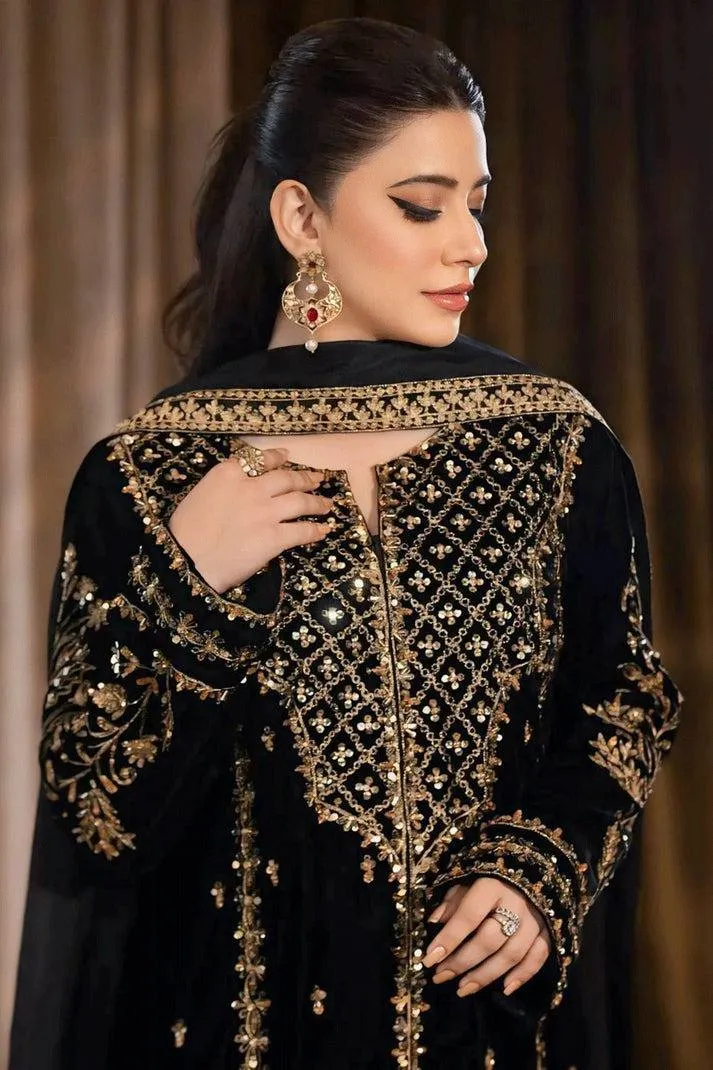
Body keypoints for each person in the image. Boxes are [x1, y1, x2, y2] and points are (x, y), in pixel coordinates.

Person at [10, 16, 682, 1070]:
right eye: (420, 206)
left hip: (488, 1036)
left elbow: (623, 696)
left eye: (474, 203)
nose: (470, 245)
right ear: (300, 217)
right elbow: (93, 815)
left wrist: (539, 867)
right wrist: (187, 586)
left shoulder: (557, 449)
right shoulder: (148, 475)